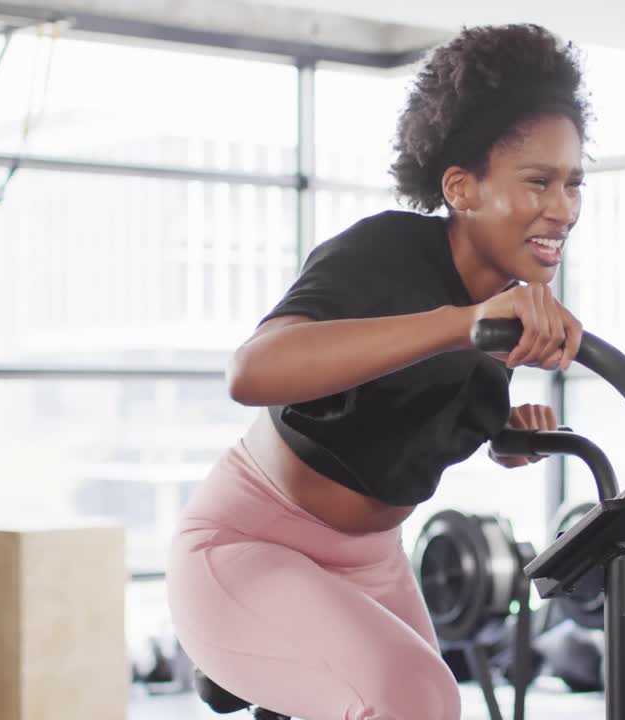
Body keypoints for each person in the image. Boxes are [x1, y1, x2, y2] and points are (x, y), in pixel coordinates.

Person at [166, 23, 590, 720]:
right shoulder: (386, 252)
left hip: (370, 561)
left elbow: (411, 417)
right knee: (416, 698)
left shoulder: (505, 315)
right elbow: (251, 371)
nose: (564, 208)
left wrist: (509, 434)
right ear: (462, 188)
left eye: (574, 183)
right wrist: (463, 325)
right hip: (249, 544)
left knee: (432, 705)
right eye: (538, 182)